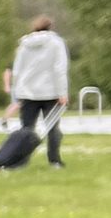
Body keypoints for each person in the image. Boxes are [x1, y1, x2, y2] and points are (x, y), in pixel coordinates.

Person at [9, 12, 69, 166]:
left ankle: (21, 160)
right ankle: (54, 160)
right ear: (51, 27)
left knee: (26, 128)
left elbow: (17, 69)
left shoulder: (24, 44)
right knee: (53, 129)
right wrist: (62, 92)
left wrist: (16, 92)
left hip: (27, 92)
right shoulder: (56, 43)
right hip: (51, 92)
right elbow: (59, 68)